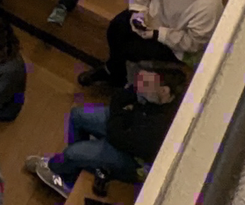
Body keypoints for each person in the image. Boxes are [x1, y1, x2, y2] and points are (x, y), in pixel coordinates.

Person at [28, 62, 186, 198]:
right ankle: (73, 168)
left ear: (165, 91)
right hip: (126, 125)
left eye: (150, 84)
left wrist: (120, 109)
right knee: (77, 115)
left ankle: (61, 173)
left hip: (133, 161)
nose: (142, 86)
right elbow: (125, 96)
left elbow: (117, 136)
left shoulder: (160, 126)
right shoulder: (157, 95)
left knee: (72, 153)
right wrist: (124, 107)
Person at [88, 0, 227, 85]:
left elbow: (192, 42)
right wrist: (139, 13)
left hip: (174, 43)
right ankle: (113, 69)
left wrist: (157, 34)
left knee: (131, 48)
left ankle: (117, 75)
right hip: (150, 18)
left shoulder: (208, 5)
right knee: (116, 27)